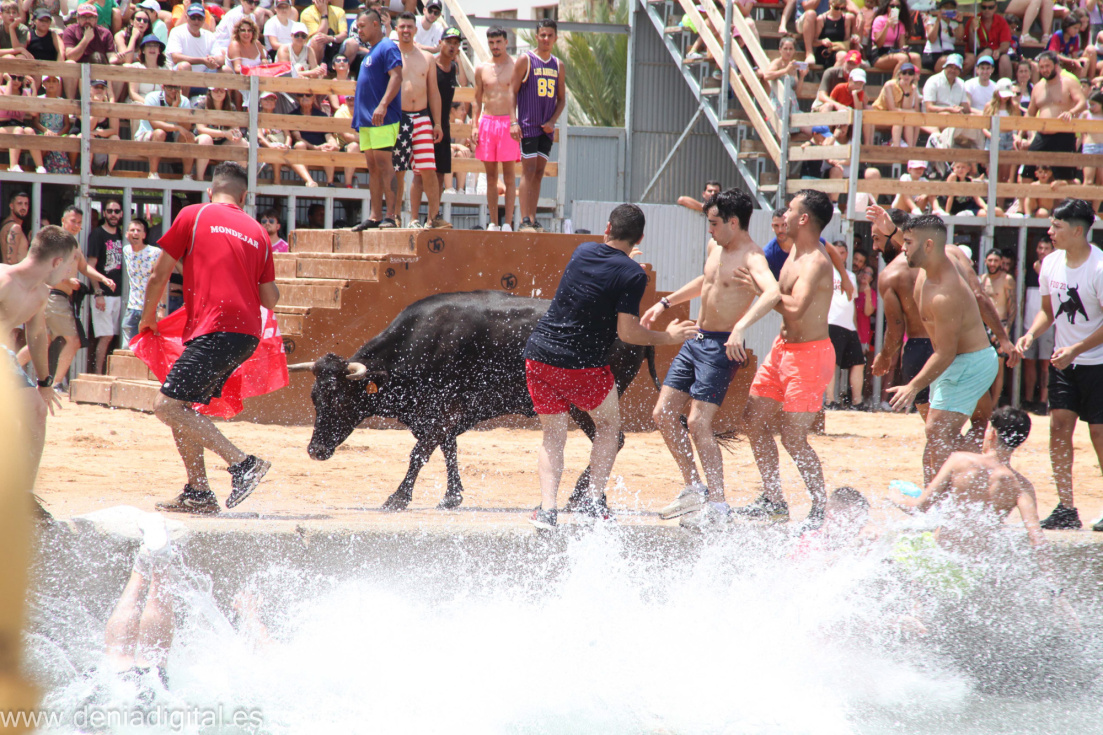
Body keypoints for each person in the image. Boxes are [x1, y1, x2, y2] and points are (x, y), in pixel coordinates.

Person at [524, 204, 698, 530]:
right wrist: (668, 336)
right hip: (582, 365)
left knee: (553, 436)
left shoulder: (582, 251)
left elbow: (600, 275)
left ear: (607, 228)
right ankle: (592, 502)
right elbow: (628, 333)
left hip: (540, 356)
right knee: (607, 427)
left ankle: (547, 511)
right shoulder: (633, 275)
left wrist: (627, 267)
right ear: (639, 238)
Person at [137, 162, 279, 514]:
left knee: (166, 406)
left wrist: (147, 318)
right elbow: (270, 299)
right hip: (245, 334)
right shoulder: (259, 233)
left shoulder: (194, 214)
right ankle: (198, 492)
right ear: (244, 197)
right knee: (181, 406)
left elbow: (158, 275)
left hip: (216, 328)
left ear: (210, 191)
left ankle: (243, 464)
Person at [640, 189, 781, 527]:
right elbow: (708, 281)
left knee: (697, 422)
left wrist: (741, 328)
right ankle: (694, 487)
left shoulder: (752, 257)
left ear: (733, 222)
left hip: (721, 347)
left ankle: (718, 507)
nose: (710, 229)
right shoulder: (715, 246)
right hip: (696, 340)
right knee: (663, 413)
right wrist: (665, 303)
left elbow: (773, 293)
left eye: (715, 223)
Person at [867, 204, 1016, 474]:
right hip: (958, 360)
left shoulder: (944, 293)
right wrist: (891, 232)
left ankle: (984, 473)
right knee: (941, 435)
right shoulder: (933, 260)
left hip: (968, 362)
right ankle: (947, 489)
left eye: (907, 243)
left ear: (926, 246)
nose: (902, 249)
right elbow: (919, 245)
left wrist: (912, 386)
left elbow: (945, 353)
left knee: (937, 431)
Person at [738, 190, 838, 529]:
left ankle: (820, 509)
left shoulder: (816, 261)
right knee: (753, 420)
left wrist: (763, 292)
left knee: (793, 438)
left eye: (791, 210)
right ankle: (773, 501)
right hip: (782, 350)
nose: (784, 216)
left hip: (809, 357)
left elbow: (794, 308)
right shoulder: (795, 249)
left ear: (804, 219)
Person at [1015, 198, 1103, 531]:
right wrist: (1031, 334)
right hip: (1063, 364)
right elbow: (1048, 312)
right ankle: (1066, 508)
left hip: (1098, 363)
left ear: (1078, 231)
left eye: (1057, 226)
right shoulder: (1050, 263)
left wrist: (1076, 349)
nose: (1050, 231)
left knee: (1098, 434)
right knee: (1059, 429)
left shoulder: (1099, 268)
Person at [902, 407, 1047, 553]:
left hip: (943, 555)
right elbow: (1037, 540)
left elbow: (918, 507)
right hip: (982, 560)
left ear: (992, 433)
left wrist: (893, 495)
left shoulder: (959, 460)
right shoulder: (1021, 486)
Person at [0, 225, 76, 492]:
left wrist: (45, 382)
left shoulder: (41, 294)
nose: (69, 272)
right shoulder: (4, 280)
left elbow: (37, 336)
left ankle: (23, 495)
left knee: (36, 410)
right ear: (56, 262)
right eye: (69, 264)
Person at [512, 19, 566, 233]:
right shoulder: (526, 59)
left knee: (539, 171)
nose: (546, 39)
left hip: (546, 128)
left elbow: (561, 99)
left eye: (550, 35)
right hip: (528, 124)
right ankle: (524, 219)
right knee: (528, 170)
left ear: (555, 38)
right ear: (536, 36)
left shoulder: (558, 65)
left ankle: (532, 219)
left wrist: (553, 121)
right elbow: (512, 92)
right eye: (542, 35)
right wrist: (513, 121)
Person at [351, 8, 402, 230]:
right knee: (372, 167)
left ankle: (391, 216)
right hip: (366, 120)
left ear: (375, 24)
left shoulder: (387, 46)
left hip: (383, 117)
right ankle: (374, 216)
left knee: (384, 164)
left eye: (362, 26)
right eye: (357, 27)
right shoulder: (371, 51)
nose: (359, 30)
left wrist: (383, 105)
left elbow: (397, 76)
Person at [390, 12, 443, 229]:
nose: (406, 30)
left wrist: (437, 123)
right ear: (397, 29)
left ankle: (433, 217)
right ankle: (394, 216)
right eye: (402, 27)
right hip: (398, 117)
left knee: (428, 169)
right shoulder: (391, 54)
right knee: (398, 170)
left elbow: (434, 92)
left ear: (415, 29)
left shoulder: (427, 58)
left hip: (422, 116)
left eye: (409, 27)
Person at [410, 26, 464, 230]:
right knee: (420, 173)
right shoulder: (430, 63)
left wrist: (441, 125)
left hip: (444, 126)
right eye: (449, 42)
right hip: (425, 123)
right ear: (440, 43)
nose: (452, 46)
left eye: (456, 43)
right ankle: (414, 218)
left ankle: (432, 218)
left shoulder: (454, 68)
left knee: (440, 174)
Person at [473, 26, 519, 232]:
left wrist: (517, 122)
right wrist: (474, 126)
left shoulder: (516, 66)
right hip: (488, 122)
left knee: (509, 176)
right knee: (490, 177)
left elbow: (521, 97)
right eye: (491, 42)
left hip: (508, 123)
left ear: (506, 42)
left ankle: (508, 222)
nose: (495, 46)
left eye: (499, 42)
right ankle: (493, 222)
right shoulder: (482, 68)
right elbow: (476, 99)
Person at [1025, 51, 1087, 184]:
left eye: (1047, 66)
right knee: (1027, 171)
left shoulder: (1068, 82)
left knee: (1066, 178)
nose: (1044, 70)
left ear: (1056, 65)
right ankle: (1023, 198)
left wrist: (1071, 112)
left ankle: (1072, 198)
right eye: (1041, 67)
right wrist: (1029, 134)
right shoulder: (1038, 87)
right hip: (1042, 135)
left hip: (1063, 134)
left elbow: (1082, 103)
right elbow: (1030, 113)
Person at [86, 199, 124, 375]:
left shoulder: (122, 235)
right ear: (104, 213)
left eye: (116, 211)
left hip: (120, 295)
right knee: (106, 335)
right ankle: (98, 374)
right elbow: (90, 266)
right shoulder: (97, 234)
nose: (113, 215)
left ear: (121, 214)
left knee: (115, 336)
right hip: (103, 295)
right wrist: (98, 292)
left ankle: (111, 373)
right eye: (110, 211)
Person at [826, 240, 865, 410]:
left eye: (842, 253)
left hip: (849, 326)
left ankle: (857, 402)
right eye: (836, 252)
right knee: (832, 362)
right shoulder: (826, 271)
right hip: (832, 322)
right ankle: (830, 400)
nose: (839, 255)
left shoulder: (851, 276)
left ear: (846, 255)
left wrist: (855, 328)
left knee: (858, 362)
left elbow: (852, 304)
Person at [1021, 235, 1055, 414]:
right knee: (1028, 362)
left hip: (1048, 325)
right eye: (1040, 248)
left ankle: (1043, 401)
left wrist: (1041, 271)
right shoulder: (1028, 268)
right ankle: (1028, 400)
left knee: (1045, 364)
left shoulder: (1055, 269)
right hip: (1029, 324)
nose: (1042, 251)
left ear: (1052, 250)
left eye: (1046, 248)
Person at [133, 84, 195, 180]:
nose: (173, 90)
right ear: (163, 87)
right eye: (169, 87)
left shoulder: (184, 101)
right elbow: (155, 124)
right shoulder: (152, 97)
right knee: (159, 133)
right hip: (148, 136)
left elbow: (187, 127)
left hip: (172, 138)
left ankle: (187, 176)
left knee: (188, 136)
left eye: (176, 87)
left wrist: (176, 110)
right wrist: (177, 126)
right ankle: (153, 173)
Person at [980, 249, 1016, 404]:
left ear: (1001, 262)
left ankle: (994, 404)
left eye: (995, 261)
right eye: (990, 260)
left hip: (1000, 325)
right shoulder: (982, 280)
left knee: (999, 366)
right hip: (984, 326)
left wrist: (1007, 329)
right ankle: (984, 404)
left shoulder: (1007, 279)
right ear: (985, 261)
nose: (992, 264)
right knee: (982, 365)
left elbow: (1012, 307)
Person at [121, 217, 161, 345]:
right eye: (132, 230)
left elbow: (162, 280)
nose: (135, 233)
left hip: (151, 307)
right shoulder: (126, 250)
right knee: (127, 347)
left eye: (139, 230)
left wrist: (162, 308)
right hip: (132, 307)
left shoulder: (155, 252)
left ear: (144, 235)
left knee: (149, 346)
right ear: (126, 234)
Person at [165, 3, 222, 72]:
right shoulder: (176, 32)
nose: (196, 21)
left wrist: (213, 60)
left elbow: (221, 58)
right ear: (186, 17)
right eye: (193, 18)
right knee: (185, 66)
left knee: (226, 70)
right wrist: (203, 60)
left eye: (200, 18)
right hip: (176, 73)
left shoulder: (209, 36)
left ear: (204, 19)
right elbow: (176, 58)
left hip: (204, 72)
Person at [964, 0, 1013, 79]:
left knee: (1005, 58)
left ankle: (1005, 85)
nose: (987, 10)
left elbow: (1005, 45)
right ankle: (980, 82)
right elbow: (971, 47)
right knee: (987, 52)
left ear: (995, 8)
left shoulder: (1001, 21)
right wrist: (971, 30)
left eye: (990, 7)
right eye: (984, 7)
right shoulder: (973, 20)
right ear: (980, 8)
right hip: (978, 52)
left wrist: (998, 51)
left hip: (996, 54)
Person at [300, 0, 345, 69]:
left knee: (351, 43)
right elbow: (321, 34)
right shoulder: (306, 13)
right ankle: (316, 69)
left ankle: (338, 69)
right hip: (315, 48)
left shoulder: (339, 12)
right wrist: (324, 13)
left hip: (334, 44)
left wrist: (331, 38)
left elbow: (344, 35)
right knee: (318, 38)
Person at [922, 0, 964, 73]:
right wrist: (938, 21)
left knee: (969, 59)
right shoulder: (932, 21)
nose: (948, 9)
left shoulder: (954, 24)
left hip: (950, 53)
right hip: (934, 54)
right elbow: (932, 39)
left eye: (951, 7)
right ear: (940, 9)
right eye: (946, 7)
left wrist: (960, 22)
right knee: (949, 60)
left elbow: (960, 38)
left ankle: (955, 78)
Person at [763, 205, 794, 278]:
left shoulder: (809, 243)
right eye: (776, 226)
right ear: (772, 227)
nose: (780, 230)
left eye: (784, 225)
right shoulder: (768, 254)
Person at [1, 191, 29, 266]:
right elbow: (11, 260)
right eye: (19, 203)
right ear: (11, 206)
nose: (23, 207)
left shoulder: (6, 224)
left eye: (26, 204)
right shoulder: (15, 228)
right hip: (14, 272)